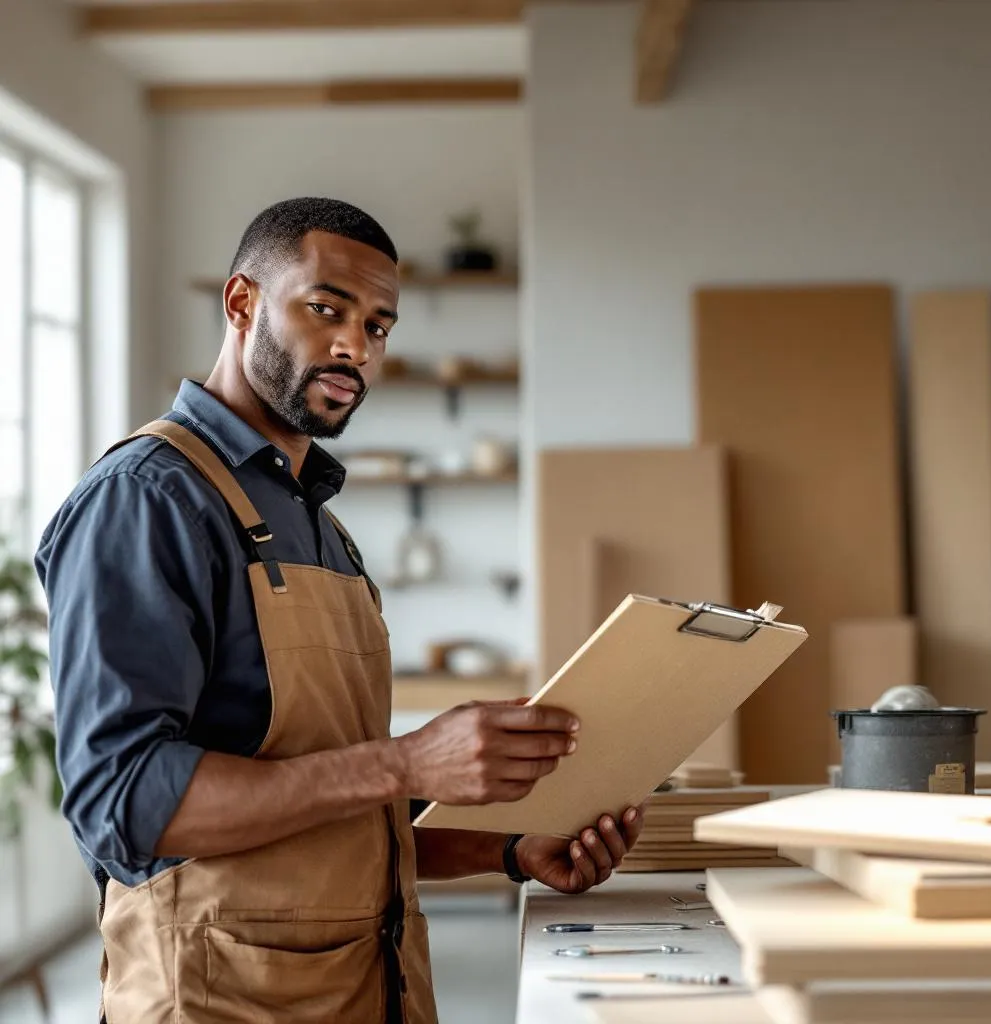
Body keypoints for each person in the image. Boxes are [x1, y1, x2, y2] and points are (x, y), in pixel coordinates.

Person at [36, 197, 645, 1024]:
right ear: (242, 302)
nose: (355, 346)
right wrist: (406, 764)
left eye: (380, 326)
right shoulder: (147, 501)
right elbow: (127, 804)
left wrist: (510, 850)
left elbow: (332, 818)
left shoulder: (319, 524)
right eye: (327, 308)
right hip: (218, 1003)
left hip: (366, 991)